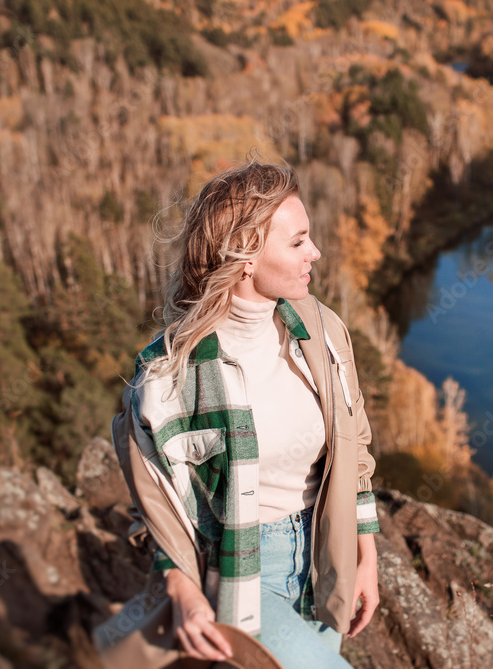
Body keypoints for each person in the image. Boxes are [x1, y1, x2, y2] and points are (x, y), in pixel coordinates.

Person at [123, 160, 380, 668]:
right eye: (298, 241)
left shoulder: (323, 332)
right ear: (245, 255)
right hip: (242, 572)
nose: (316, 253)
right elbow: (154, 510)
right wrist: (184, 591)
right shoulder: (168, 375)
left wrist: (365, 554)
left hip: (325, 557)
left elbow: (357, 446)